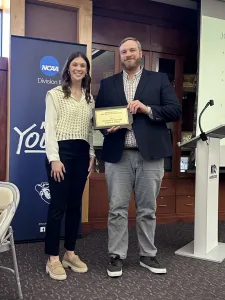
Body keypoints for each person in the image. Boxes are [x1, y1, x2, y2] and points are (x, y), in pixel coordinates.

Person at [95, 37, 181, 277]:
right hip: (118, 155)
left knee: (147, 209)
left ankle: (147, 255)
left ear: (140, 53)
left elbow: (175, 111)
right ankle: (116, 255)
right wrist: (106, 128)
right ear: (120, 56)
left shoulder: (159, 79)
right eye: (123, 51)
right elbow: (100, 117)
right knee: (117, 209)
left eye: (132, 50)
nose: (128, 54)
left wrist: (147, 109)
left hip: (150, 156)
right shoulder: (109, 84)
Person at [44, 52, 95, 280]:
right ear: (68, 68)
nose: (78, 68)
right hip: (61, 155)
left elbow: (90, 130)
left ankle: (70, 253)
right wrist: (54, 158)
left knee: (75, 206)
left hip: (82, 154)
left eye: (82, 65)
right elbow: (50, 128)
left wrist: (92, 153)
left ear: (86, 70)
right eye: (75, 64)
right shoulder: (54, 94)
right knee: (58, 206)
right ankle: (52, 258)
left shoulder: (89, 98)